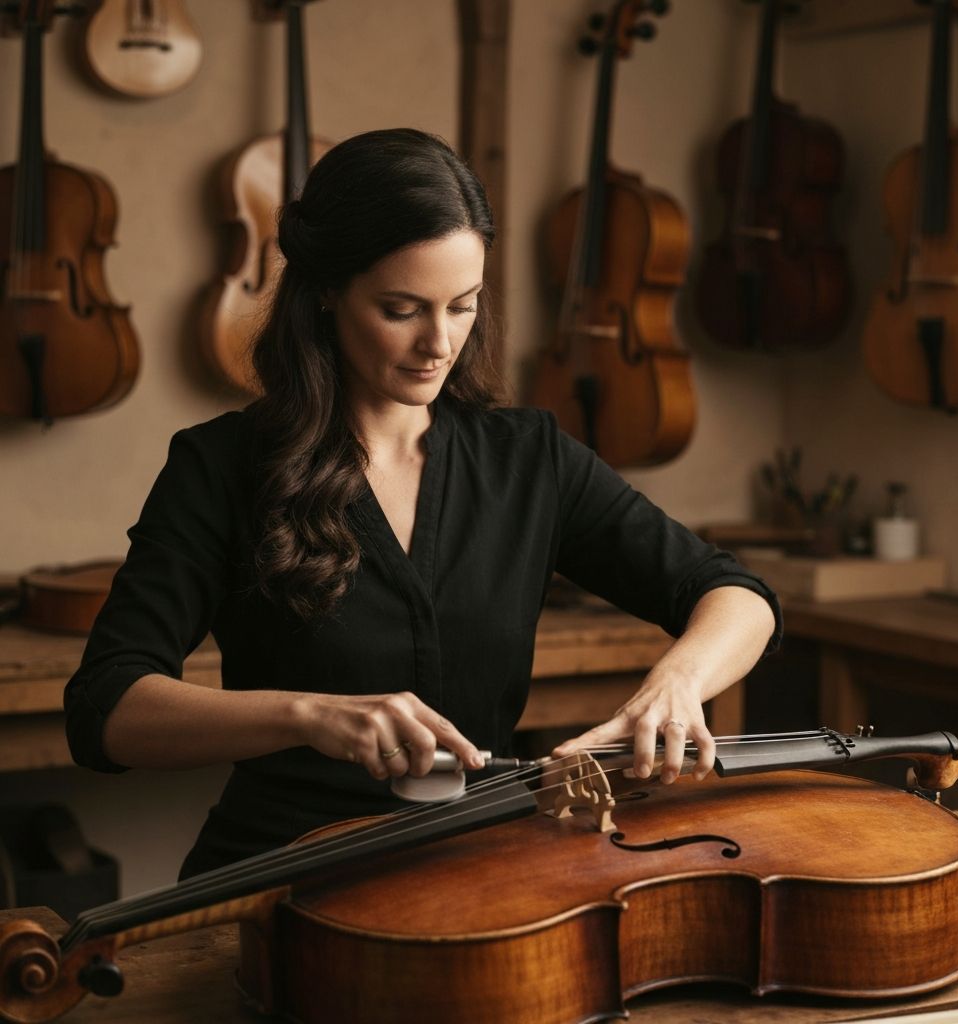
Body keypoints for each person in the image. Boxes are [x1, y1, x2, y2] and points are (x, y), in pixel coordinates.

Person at [64, 128, 781, 880]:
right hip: (285, 874)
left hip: (481, 872)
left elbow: (736, 594)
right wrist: (309, 714)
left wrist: (676, 683)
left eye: (463, 306)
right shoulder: (221, 466)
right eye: (401, 309)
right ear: (327, 293)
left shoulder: (529, 457)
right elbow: (106, 705)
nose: (439, 343)